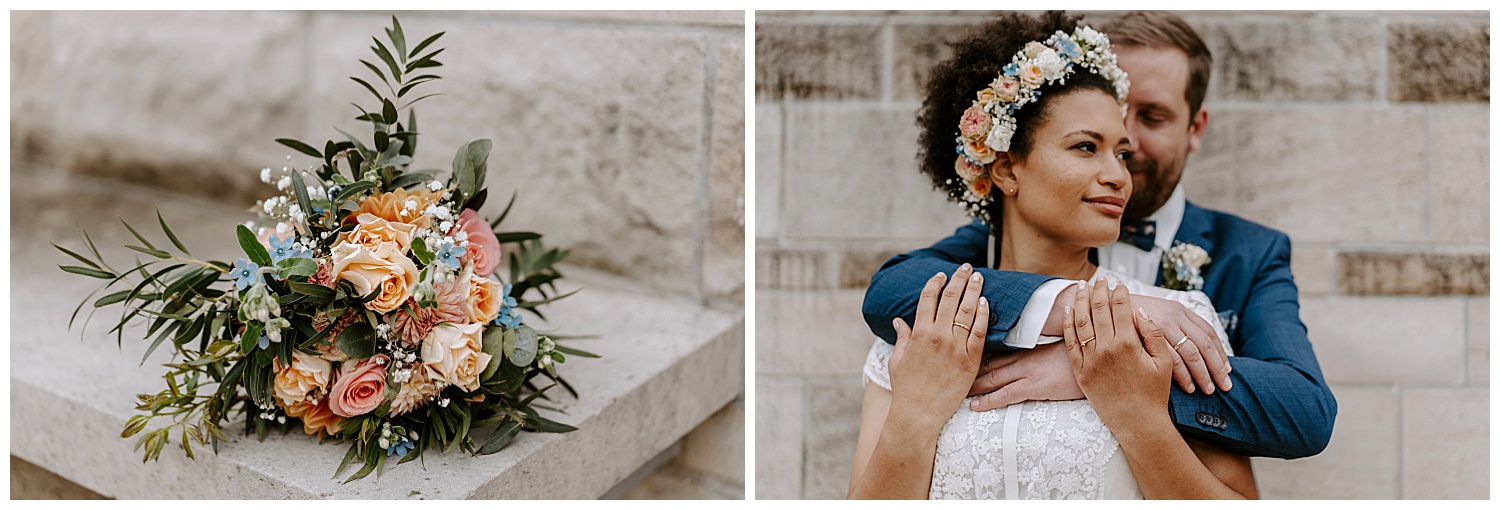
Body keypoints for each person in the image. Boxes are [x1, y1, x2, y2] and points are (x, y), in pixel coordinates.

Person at [861, 10, 1335, 460]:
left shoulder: (1248, 252)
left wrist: (1104, 368)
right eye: (1095, 131)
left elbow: (1305, 411)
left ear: (1195, 127)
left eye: (1151, 116)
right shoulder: (1015, 232)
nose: (1123, 143)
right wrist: (1070, 308)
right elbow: (893, 290)